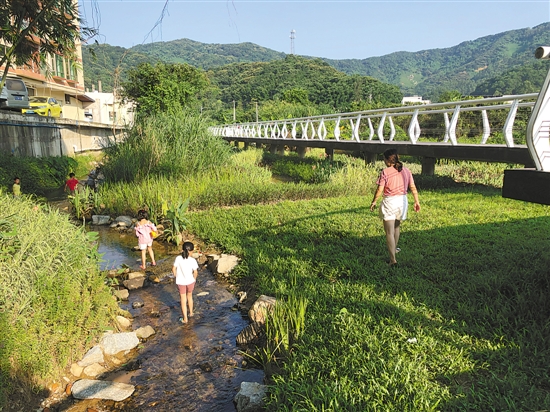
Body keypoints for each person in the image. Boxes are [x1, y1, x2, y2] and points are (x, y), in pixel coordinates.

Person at [370, 149, 420, 267]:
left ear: (387, 160)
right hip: (403, 201)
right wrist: (417, 201)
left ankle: (392, 260)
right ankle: (395, 249)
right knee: (397, 227)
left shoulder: (385, 172)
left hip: (390, 202)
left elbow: (379, 190)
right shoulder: (406, 171)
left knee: (389, 232)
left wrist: (374, 201)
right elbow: (413, 187)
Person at [172, 241, 199, 324]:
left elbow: (173, 269)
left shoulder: (178, 258)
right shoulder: (192, 260)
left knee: (183, 300)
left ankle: (185, 319)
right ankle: (191, 313)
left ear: (182, 250)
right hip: (190, 282)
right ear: (191, 251)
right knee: (190, 297)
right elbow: (195, 272)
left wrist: (176, 276)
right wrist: (194, 279)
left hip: (181, 282)